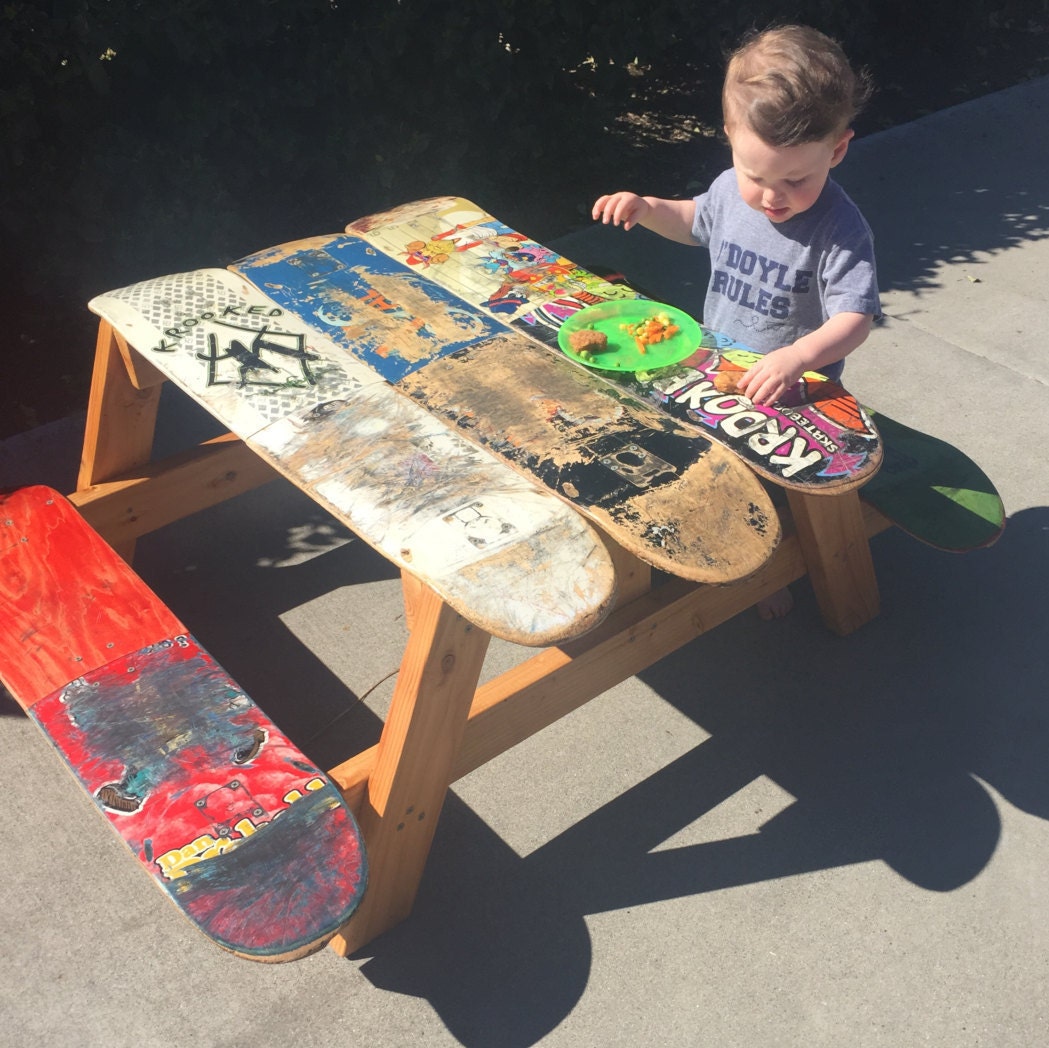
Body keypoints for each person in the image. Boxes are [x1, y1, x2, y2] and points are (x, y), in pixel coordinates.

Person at [592, 24, 880, 619]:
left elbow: (856, 317)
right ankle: (712, 547)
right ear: (729, 138)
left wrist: (798, 356)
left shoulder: (839, 228)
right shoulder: (730, 189)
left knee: (769, 489)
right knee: (709, 466)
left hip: (792, 390)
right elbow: (695, 220)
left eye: (795, 180)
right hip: (716, 364)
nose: (772, 197)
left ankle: (768, 573)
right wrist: (647, 210)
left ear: (838, 149)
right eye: (756, 175)